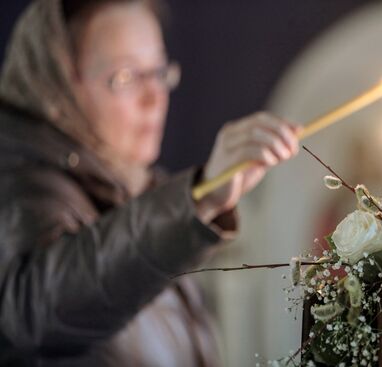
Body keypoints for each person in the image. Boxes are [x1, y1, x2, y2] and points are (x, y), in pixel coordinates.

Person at [0, 0, 301, 365]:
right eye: (126, 77)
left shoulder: (134, 187)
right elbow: (39, 310)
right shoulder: (22, 184)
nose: (155, 97)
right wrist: (197, 198)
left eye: (159, 72)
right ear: (56, 85)